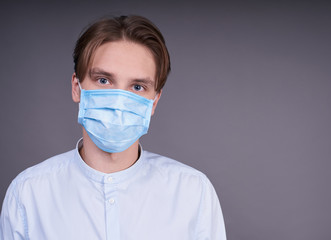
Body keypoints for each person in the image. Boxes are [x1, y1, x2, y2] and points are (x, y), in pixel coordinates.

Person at [0, 15, 226, 239]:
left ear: (153, 102)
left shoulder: (193, 192)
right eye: (104, 80)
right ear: (77, 88)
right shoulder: (28, 194)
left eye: (137, 87)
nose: (119, 102)